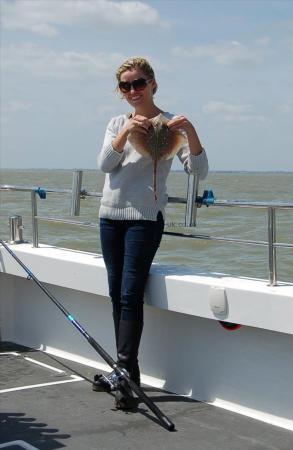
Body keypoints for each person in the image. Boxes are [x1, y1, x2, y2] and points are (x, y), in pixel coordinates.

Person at [93, 57, 208, 409]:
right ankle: (127, 374)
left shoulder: (170, 124)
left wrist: (190, 131)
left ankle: (123, 374)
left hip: (144, 220)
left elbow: (198, 171)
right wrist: (126, 132)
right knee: (116, 293)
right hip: (110, 217)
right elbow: (104, 165)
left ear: (153, 83)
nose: (132, 91)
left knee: (130, 293)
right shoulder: (116, 122)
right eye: (125, 86)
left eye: (139, 83)